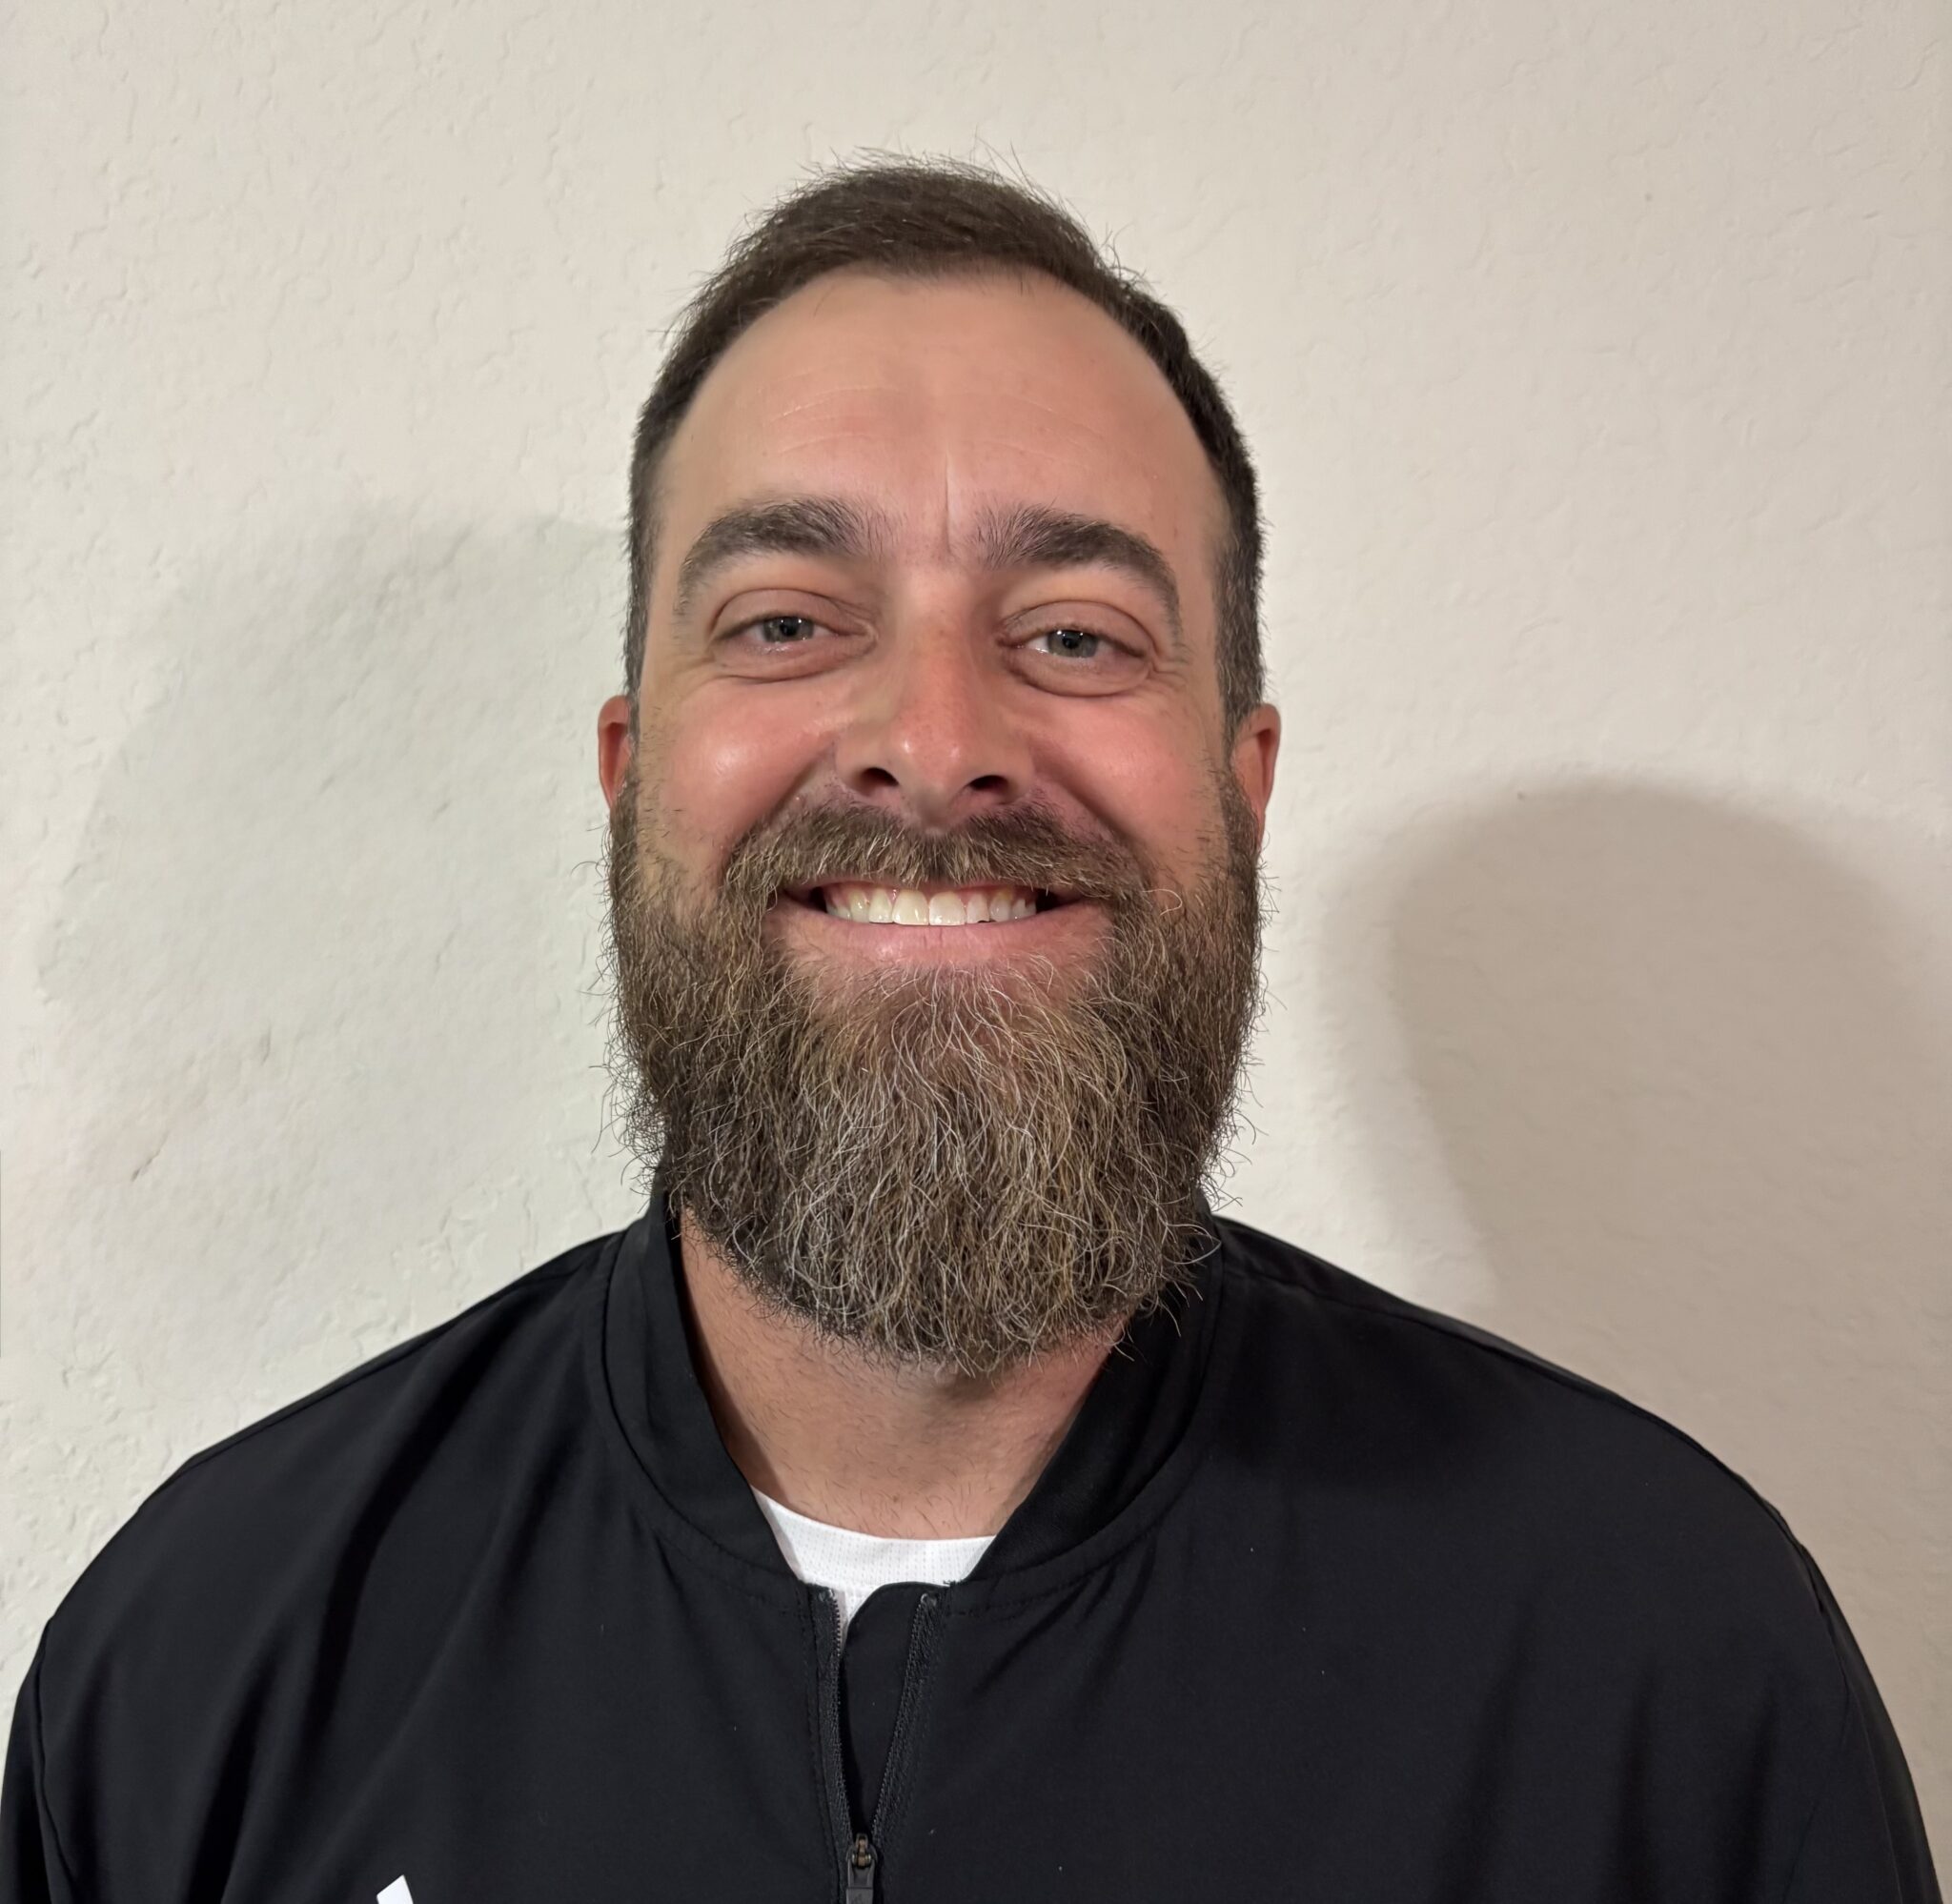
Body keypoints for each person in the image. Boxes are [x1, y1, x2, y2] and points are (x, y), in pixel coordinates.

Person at [3, 155, 1939, 1904]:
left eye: (1077, 634)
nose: (935, 742)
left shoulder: (1658, 1663)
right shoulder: (210, 1667)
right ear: (630, 769)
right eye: (783, 620)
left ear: (1239, 784)